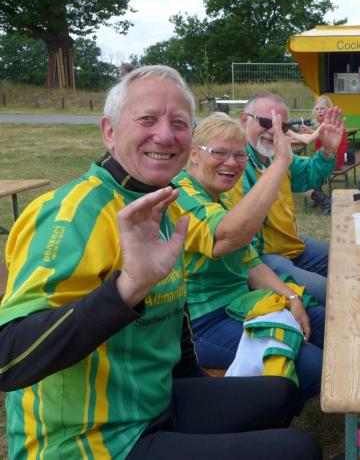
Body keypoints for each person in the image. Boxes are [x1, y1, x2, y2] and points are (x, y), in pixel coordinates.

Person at [0, 66, 320, 459]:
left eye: (179, 123)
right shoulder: (69, 215)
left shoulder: (163, 203)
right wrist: (126, 290)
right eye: (147, 119)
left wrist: (198, 387)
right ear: (109, 131)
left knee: (279, 394)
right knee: (299, 449)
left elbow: (173, 315)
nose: (165, 135)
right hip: (92, 441)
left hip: (155, 402)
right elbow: (8, 358)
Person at [174, 113, 325, 404]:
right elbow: (231, 236)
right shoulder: (181, 195)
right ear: (194, 154)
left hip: (241, 303)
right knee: (312, 366)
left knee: (326, 324)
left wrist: (291, 298)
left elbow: (251, 263)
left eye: (239, 155)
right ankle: (265, 411)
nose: (231, 163)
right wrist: (280, 163)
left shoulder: (218, 196)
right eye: (219, 153)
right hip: (202, 323)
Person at [228, 90, 344, 306]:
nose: (274, 131)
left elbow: (309, 174)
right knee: (328, 291)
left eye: (282, 126)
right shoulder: (235, 164)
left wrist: (328, 150)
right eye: (266, 122)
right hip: (261, 257)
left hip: (291, 246)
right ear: (244, 120)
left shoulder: (277, 156)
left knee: (347, 256)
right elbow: (240, 237)